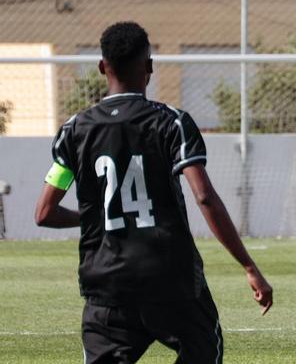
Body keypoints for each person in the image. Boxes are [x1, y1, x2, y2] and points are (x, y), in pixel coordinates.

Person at [35, 22, 273, 363]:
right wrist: (249, 266)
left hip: (106, 283)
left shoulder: (73, 132)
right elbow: (203, 196)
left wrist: (95, 216)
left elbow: (44, 213)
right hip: (169, 277)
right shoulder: (172, 123)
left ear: (103, 67)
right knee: (202, 352)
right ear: (149, 66)